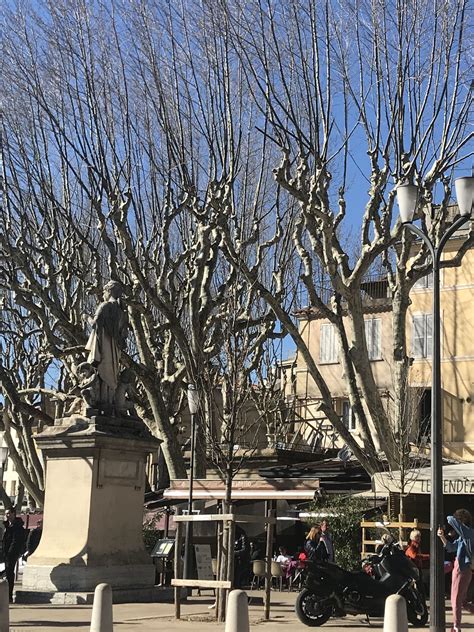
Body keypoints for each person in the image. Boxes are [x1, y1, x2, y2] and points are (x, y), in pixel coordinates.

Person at [85, 280, 128, 407]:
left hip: (105, 343)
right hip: (115, 348)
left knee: (102, 370)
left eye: (104, 291)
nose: (103, 294)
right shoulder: (121, 312)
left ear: (109, 291)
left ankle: (102, 401)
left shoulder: (105, 306)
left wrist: (86, 317)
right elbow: (124, 334)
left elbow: (94, 323)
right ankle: (109, 400)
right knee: (111, 372)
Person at [438, 509, 474, 632]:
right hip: (464, 570)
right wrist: (442, 536)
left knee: (455, 600)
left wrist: (443, 516)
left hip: (461, 569)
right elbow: (451, 547)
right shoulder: (464, 537)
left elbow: (451, 519)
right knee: (462, 601)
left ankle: (456, 627)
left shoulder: (467, 533)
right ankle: (456, 625)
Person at [2, 508, 26, 603]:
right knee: (7, 572)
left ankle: (9, 596)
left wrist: (10, 553)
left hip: (12, 553)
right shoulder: (7, 525)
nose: (7, 515)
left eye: (8, 513)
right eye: (6, 513)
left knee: (9, 573)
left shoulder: (17, 527)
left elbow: (16, 541)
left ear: (13, 514)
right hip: (5, 552)